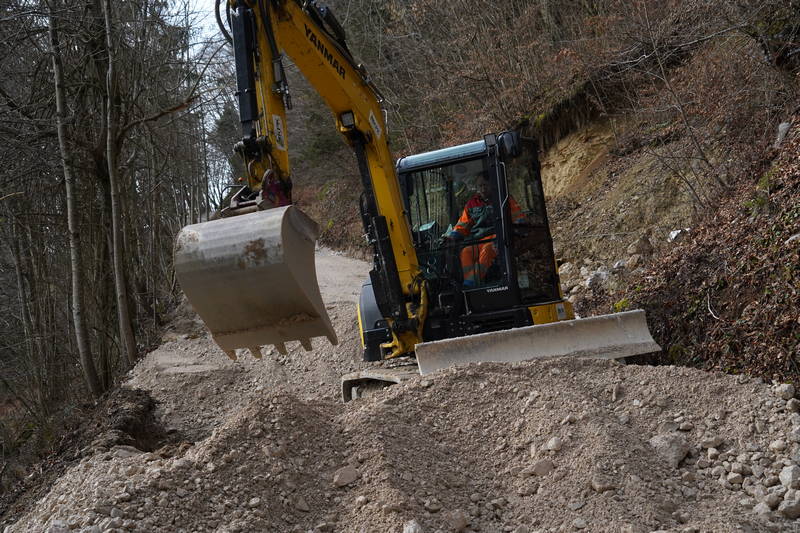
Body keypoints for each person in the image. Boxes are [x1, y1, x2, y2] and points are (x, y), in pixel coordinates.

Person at [447, 173, 526, 287]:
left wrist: (517, 232)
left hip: (498, 239)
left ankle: (472, 283)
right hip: (478, 241)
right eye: (480, 186)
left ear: (491, 185)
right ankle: (469, 283)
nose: (483, 189)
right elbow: (462, 225)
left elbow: (518, 218)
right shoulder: (471, 204)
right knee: (466, 252)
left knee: (487, 249)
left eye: (485, 185)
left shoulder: (503, 199)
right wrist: (451, 237)